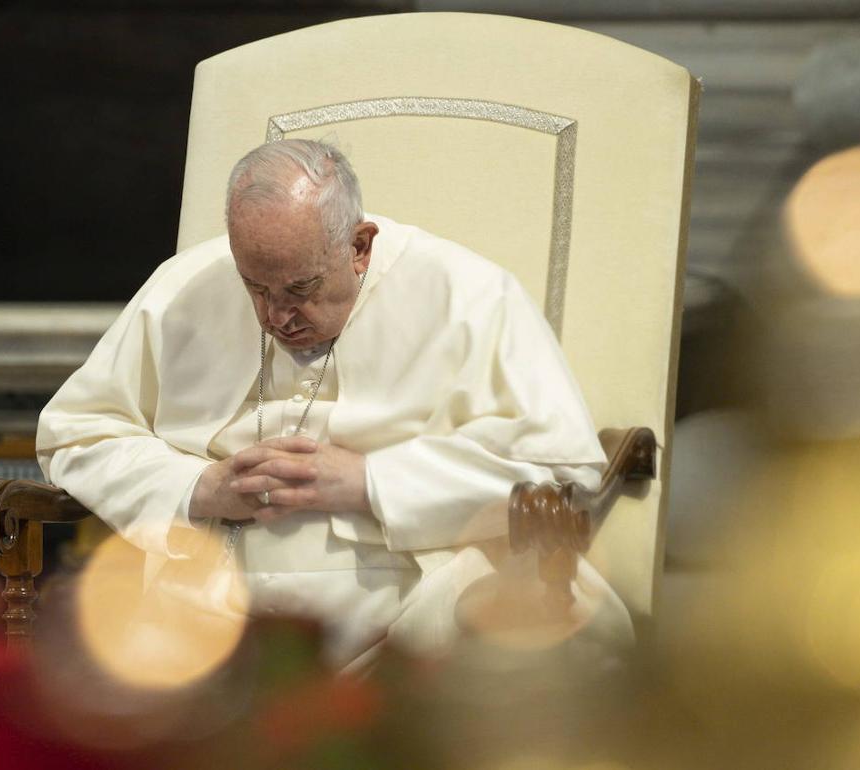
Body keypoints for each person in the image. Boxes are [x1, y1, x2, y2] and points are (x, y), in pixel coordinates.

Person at [36, 139, 631, 669]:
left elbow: (562, 475)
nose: (276, 317)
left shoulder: (469, 296)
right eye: (255, 288)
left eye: (301, 288)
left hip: (408, 628)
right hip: (205, 616)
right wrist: (200, 488)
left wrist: (374, 481)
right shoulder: (184, 286)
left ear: (360, 247)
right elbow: (77, 433)